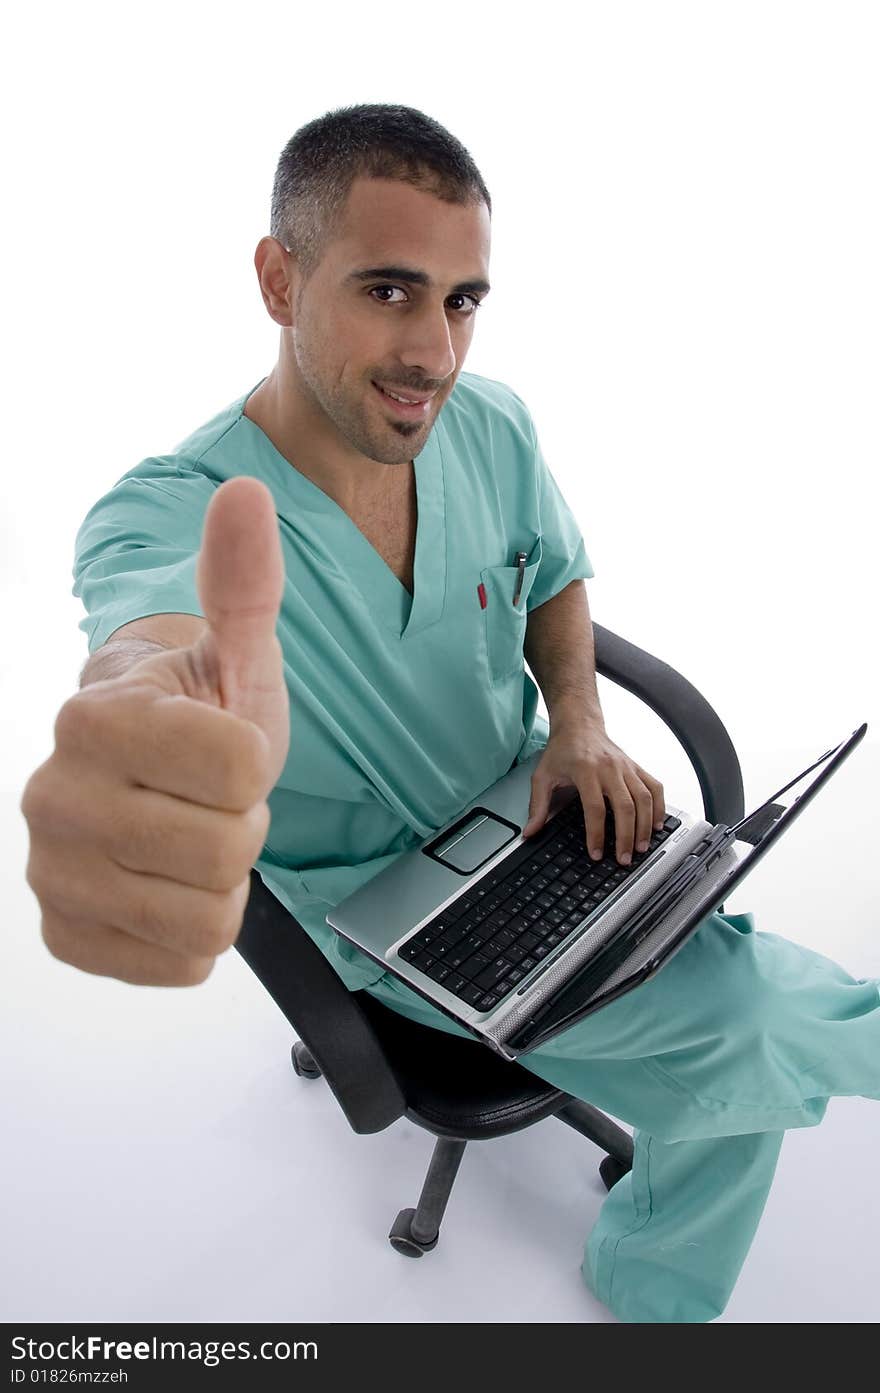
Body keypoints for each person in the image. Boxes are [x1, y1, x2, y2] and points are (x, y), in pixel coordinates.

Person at [20, 103, 878, 1324]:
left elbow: (556, 572)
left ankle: (651, 1281)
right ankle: (655, 1295)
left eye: (462, 299)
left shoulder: (490, 425)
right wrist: (139, 731)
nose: (434, 347)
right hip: (385, 910)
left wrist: (577, 722)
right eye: (386, 289)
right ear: (279, 277)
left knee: (729, 1038)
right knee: (746, 1034)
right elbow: (146, 645)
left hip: (536, 809)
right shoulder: (175, 509)